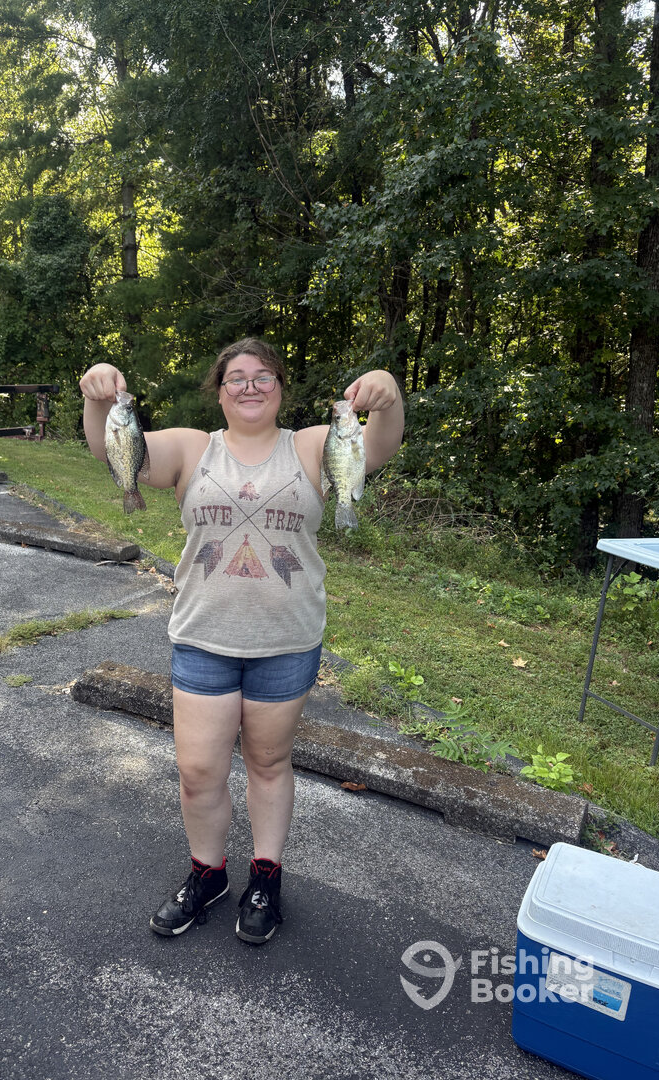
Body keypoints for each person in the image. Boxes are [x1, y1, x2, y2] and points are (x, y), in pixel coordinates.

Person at [79, 339, 404, 944]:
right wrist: (96, 395)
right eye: (236, 377)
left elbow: (379, 444)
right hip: (203, 637)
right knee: (198, 770)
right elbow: (111, 448)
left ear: (281, 386)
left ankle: (265, 878)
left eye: (263, 376)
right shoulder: (191, 448)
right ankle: (207, 875)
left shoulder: (312, 445)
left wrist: (387, 392)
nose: (249, 386)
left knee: (268, 762)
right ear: (219, 390)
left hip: (287, 642)